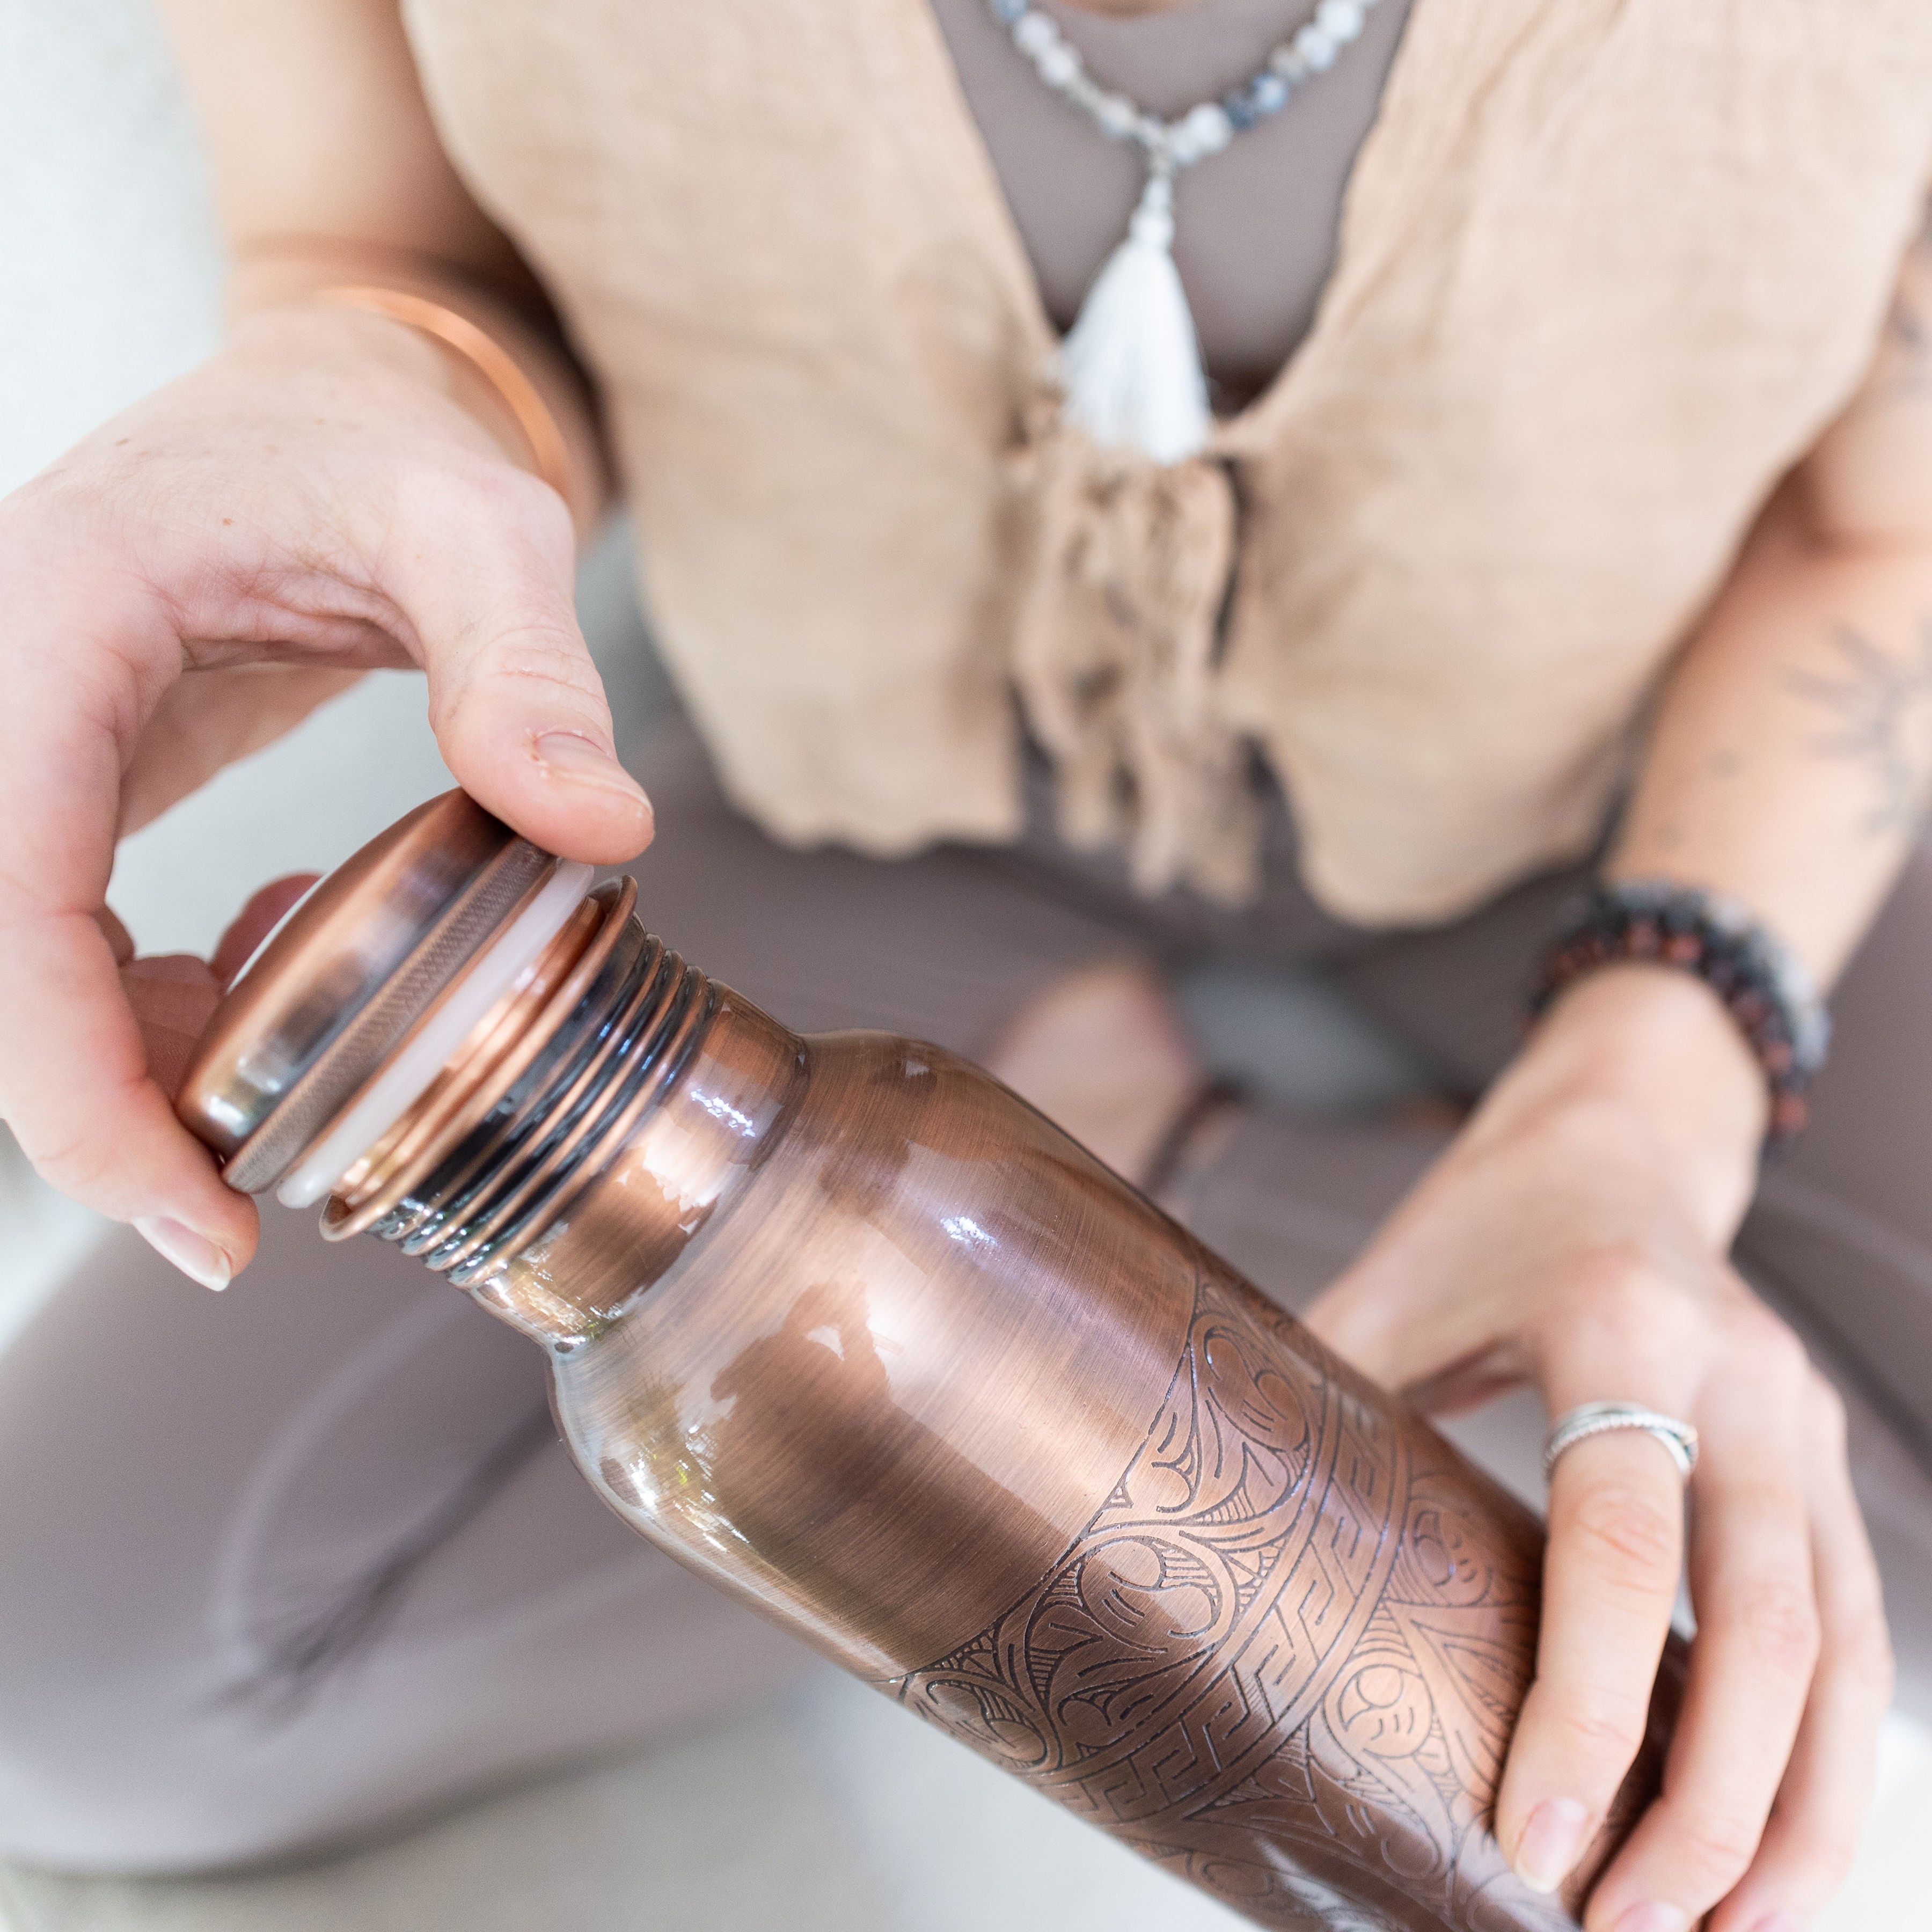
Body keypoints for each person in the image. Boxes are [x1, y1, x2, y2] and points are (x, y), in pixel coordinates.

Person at [0, 2, 1928, 1928]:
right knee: (67, 1689)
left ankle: (1028, 1217)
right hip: (864, 812)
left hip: (1650, 796)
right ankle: (1038, 1198)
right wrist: (369, 377)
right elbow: (397, 251)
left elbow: (1887, 528)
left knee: (1831, 1620)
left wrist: (1646, 1103)